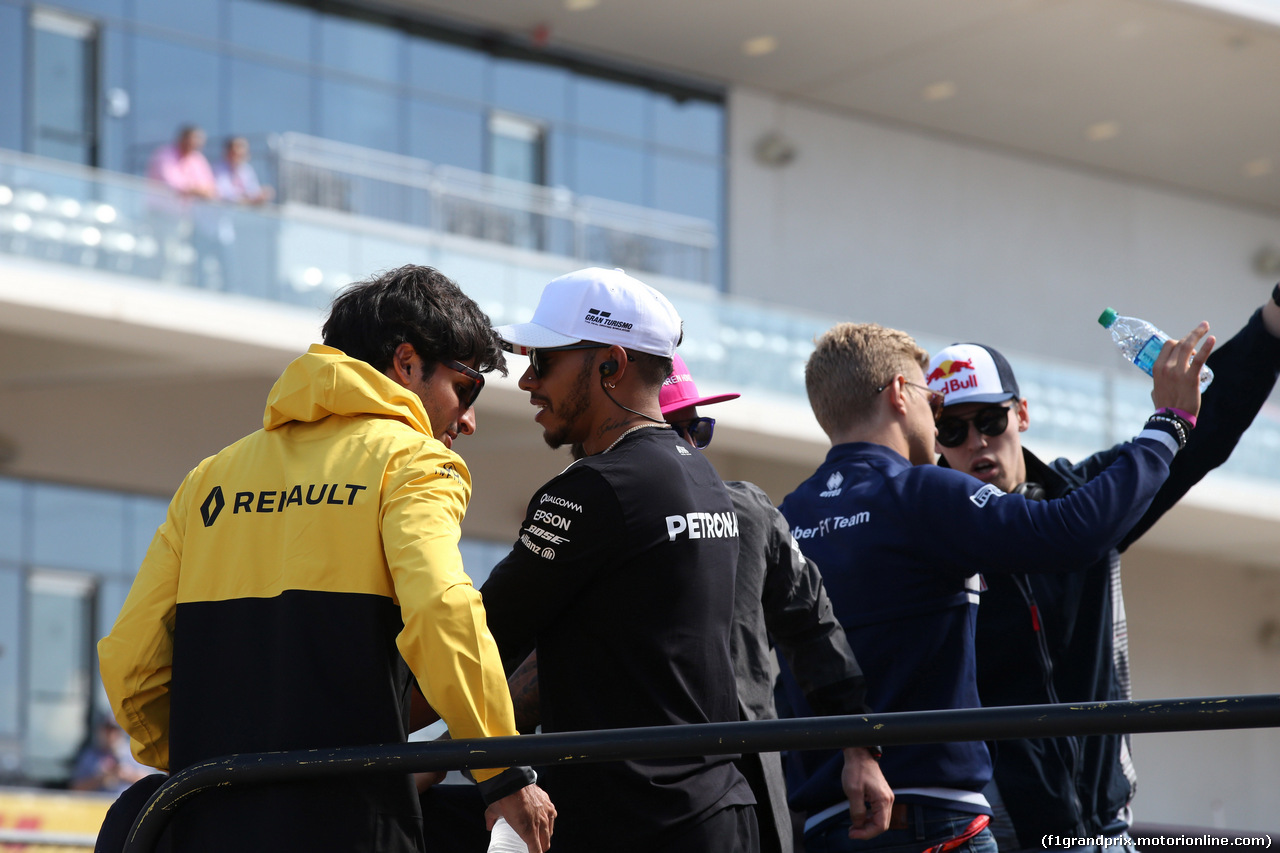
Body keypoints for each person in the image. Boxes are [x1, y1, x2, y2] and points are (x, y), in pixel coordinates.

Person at [97, 265, 555, 853]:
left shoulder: (210, 478)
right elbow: (444, 617)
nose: (466, 419)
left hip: (208, 817)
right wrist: (504, 772)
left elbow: (130, 666)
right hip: (351, 823)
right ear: (407, 363)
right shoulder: (411, 462)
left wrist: (213, 765)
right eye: (467, 389)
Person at [776, 320, 1212, 853]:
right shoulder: (921, 493)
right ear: (897, 394)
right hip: (936, 821)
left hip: (825, 825)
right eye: (932, 403)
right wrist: (1169, 424)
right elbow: (1068, 533)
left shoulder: (785, 518)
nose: (937, 422)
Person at [926, 295, 1280, 852]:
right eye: (952, 430)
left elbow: (1200, 435)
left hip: (1106, 823)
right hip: (1001, 829)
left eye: (990, 420)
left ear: (1021, 413)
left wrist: (1272, 325)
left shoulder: (1087, 500)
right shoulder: (933, 538)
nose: (976, 443)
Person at [479, 267, 759, 853]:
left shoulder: (592, 489)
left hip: (635, 821)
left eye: (545, 359)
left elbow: (476, 642)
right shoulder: (702, 476)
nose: (528, 380)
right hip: (719, 811)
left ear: (610, 364)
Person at [658, 354, 893, 853]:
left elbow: (812, 628)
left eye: (698, 430)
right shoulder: (600, 510)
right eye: (671, 430)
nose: (689, 447)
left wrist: (860, 746)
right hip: (691, 787)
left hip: (714, 786)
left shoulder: (747, 509)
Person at [69, 714, 150, 793]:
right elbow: (75, 788)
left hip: (129, 804)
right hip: (97, 804)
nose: (111, 735)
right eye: (107, 730)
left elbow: (150, 784)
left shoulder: (133, 753)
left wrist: (128, 775)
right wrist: (100, 779)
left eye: (114, 730)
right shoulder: (90, 756)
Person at [214, 136, 274, 205]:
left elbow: (253, 190)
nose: (240, 155)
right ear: (229, 153)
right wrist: (247, 200)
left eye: (243, 153)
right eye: (236, 153)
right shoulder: (218, 169)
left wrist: (261, 194)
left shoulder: (247, 169)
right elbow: (222, 194)